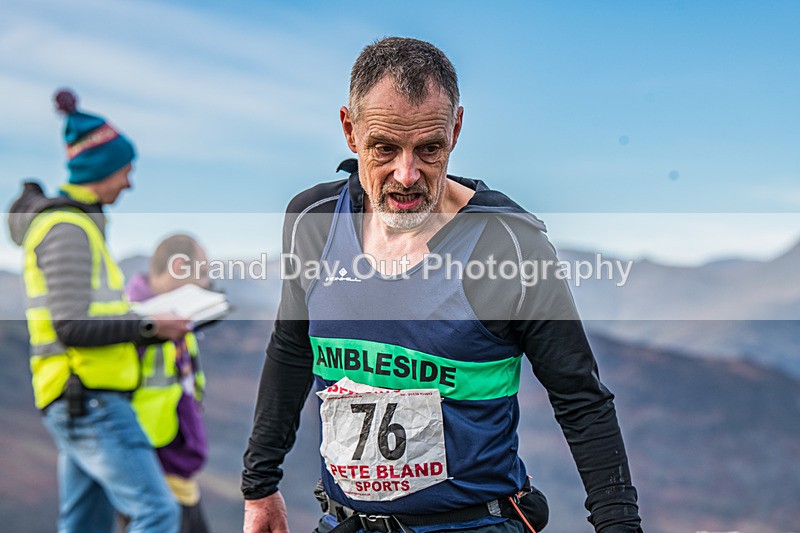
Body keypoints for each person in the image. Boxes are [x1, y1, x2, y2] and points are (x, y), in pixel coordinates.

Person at [241, 37, 643, 533]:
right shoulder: (313, 221)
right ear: (349, 129)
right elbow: (291, 349)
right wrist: (259, 487)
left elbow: (580, 398)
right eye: (384, 148)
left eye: (429, 149)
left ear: (455, 129)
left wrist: (619, 525)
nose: (407, 175)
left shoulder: (508, 245)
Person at [7, 89, 187, 533]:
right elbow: (70, 325)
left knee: (85, 522)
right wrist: (150, 326)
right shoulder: (68, 229)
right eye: (126, 169)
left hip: (81, 396)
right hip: (89, 398)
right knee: (157, 512)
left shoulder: (79, 225)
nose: (129, 181)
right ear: (102, 168)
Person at [127, 234, 213, 533]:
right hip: (151, 465)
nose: (205, 283)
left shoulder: (176, 316)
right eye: (201, 272)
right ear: (178, 266)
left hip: (178, 463)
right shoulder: (133, 320)